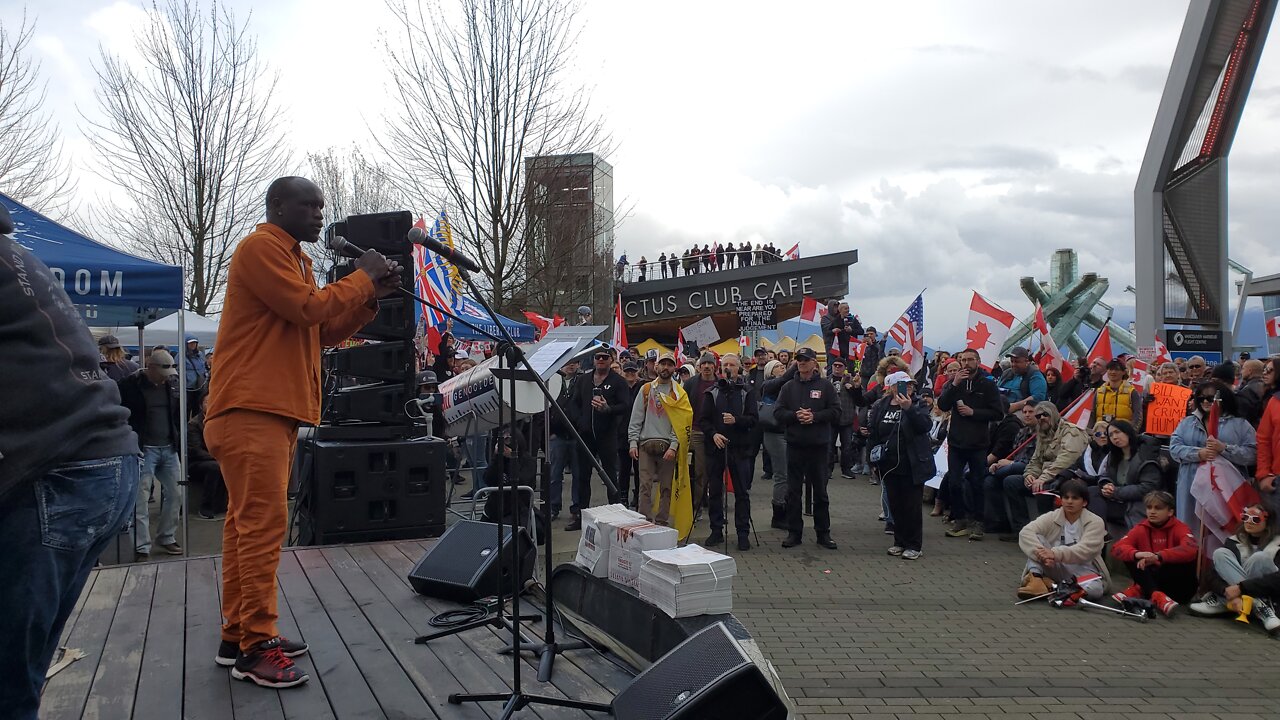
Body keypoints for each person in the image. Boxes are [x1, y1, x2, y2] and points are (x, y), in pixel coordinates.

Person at [204, 176, 401, 688]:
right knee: (263, 528)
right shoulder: (261, 247)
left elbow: (323, 331)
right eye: (308, 205)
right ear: (277, 207)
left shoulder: (296, 260)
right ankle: (256, 646)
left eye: (321, 206)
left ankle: (236, 636)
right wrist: (360, 275)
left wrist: (369, 296)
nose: (319, 214)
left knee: (245, 527)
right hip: (252, 409)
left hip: (266, 410)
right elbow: (308, 308)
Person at [0, 203, 142, 720]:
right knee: (19, 673)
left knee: (8, 683)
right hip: (98, 462)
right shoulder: (17, 256)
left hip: (56, 473)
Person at [118, 349, 185, 560]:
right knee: (141, 499)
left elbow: (176, 413)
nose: (166, 377)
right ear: (151, 367)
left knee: (176, 494)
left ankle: (166, 537)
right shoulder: (131, 385)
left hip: (168, 447)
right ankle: (141, 546)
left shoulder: (172, 385)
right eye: (163, 373)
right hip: (144, 448)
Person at [1169, 379, 1257, 535]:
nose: (1205, 402)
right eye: (1201, 398)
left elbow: (1253, 454)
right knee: (1192, 532)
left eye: (1210, 398)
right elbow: (1174, 448)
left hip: (1226, 489)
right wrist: (1198, 454)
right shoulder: (1187, 423)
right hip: (1190, 486)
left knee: (1223, 531)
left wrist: (1224, 448)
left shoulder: (1240, 424)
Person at [775, 347, 840, 549]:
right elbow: (778, 412)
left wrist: (815, 417)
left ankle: (823, 533)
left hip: (818, 446)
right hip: (795, 445)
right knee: (793, 491)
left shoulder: (826, 386)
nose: (802, 363)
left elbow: (836, 411)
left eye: (806, 360)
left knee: (820, 491)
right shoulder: (788, 387)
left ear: (814, 363)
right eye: (799, 360)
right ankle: (794, 533)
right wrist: (796, 415)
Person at [938, 348, 1004, 541]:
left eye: (970, 360)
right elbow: (942, 404)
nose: (966, 363)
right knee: (955, 483)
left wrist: (973, 412)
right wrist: (954, 384)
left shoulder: (987, 384)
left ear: (978, 361)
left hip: (978, 442)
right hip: (957, 441)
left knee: (977, 483)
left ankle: (978, 522)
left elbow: (997, 413)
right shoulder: (955, 382)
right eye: (963, 360)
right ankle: (960, 519)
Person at [869, 372, 935, 560]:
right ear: (891, 387)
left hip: (912, 464)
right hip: (889, 464)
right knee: (895, 505)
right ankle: (899, 541)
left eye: (910, 385)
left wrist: (909, 409)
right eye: (902, 385)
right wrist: (872, 459)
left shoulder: (918, 404)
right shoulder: (882, 405)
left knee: (912, 506)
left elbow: (924, 426)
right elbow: (874, 432)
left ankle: (914, 545)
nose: (908, 388)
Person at [698, 354, 758, 550]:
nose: (728, 368)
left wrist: (737, 420)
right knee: (715, 491)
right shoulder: (712, 392)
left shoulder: (747, 392)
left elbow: (753, 419)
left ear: (739, 368)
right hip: (716, 448)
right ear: (720, 369)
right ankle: (716, 530)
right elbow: (704, 420)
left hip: (740, 448)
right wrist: (714, 434)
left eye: (732, 365)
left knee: (741, 492)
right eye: (725, 365)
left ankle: (742, 533)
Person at [1190, 503, 1280, 632]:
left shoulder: (1277, 543)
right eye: (1245, 517)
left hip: (1270, 595)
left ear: (1268, 523)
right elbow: (1212, 573)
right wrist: (1226, 591)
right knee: (1220, 553)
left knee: (1260, 558)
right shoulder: (1234, 541)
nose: (1249, 522)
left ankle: (1232, 603)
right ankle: (1255, 605)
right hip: (1236, 593)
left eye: (1255, 519)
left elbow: (1277, 580)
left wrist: (1241, 588)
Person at [565, 350, 629, 529]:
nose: (601, 360)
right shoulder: (583, 380)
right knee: (582, 477)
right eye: (598, 357)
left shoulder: (618, 381)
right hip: (585, 436)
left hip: (607, 435)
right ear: (593, 360)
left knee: (610, 476)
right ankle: (581, 516)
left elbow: (625, 405)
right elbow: (573, 403)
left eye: (605, 357)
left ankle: (616, 517)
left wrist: (608, 409)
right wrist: (580, 422)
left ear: (611, 360)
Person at [1016, 479, 1110, 600]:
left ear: (1084, 502)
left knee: (1095, 590)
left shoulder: (1095, 522)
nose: (1069, 501)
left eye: (1075, 498)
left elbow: (1086, 550)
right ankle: (1037, 579)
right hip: (1052, 563)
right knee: (1037, 539)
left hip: (1082, 568)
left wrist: (1054, 554)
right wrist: (1045, 556)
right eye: (1066, 497)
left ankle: (1051, 585)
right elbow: (1026, 532)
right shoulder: (1053, 516)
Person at [1109, 491, 1198, 615]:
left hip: (1179, 586)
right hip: (1155, 582)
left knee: (1180, 560)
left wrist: (1158, 556)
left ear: (1170, 512)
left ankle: (1142, 590)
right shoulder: (1141, 528)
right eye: (1149, 508)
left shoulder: (1180, 527)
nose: (1152, 511)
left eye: (1158, 508)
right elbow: (1116, 548)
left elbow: (1190, 549)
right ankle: (1155, 595)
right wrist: (1137, 554)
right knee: (1131, 556)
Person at [1007, 401, 1088, 534]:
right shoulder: (1043, 433)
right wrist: (1030, 475)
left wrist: (1043, 478)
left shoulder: (1071, 431)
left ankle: (1046, 533)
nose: (1042, 418)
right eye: (1038, 416)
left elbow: (1065, 461)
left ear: (1054, 414)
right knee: (1011, 482)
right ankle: (1022, 530)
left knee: (1042, 490)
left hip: (1066, 476)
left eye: (1045, 414)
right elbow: (1036, 460)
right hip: (1046, 476)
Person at [628, 353, 689, 526]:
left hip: (668, 447)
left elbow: (681, 423)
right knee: (644, 486)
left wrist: (674, 446)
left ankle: (662, 522)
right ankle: (644, 522)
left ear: (674, 368)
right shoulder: (646, 389)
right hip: (645, 444)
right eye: (662, 364)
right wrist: (633, 442)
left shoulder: (679, 393)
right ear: (656, 366)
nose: (665, 368)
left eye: (670, 365)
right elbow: (636, 417)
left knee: (666, 487)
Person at [1090, 420, 1163, 535]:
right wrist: (1106, 484)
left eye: (1117, 432)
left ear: (1128, 432)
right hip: (1118, 499)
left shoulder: (1145, 455)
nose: (1114, 437)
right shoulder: (1114, 455)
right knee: (1090, 492)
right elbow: (1106, 474)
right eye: (1111, 435)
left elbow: (1148, 487)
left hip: (1137, 503)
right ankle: (1100, 533)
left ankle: (1100, 533)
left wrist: (1116, 492)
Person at [684, 353, 720, 517]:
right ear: (699, 366)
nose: (706, 366)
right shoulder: (691, 384)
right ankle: (696, 507)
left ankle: (715, 507)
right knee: (699, 472)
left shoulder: (721, 383)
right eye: (703, 363)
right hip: (696, 431)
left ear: (714, 366)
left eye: (709, 363)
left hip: (716, 432)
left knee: (716, 472)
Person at [546, 358, 582, 520]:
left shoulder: (582, 382)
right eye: (568, 362)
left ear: (579, 365)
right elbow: (544, 408)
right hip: (557, 436)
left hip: (577, 437)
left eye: (575, 362)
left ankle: (577, 507)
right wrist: (548, 433)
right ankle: (553, 507)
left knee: (578, 474)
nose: (571, 365)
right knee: (554, 475)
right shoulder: (552, 382)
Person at [758, 360, 790, 529]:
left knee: (787, 473)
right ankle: (779, 512)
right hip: (773, 432)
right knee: (781, 473)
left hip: (786, 431)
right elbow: (782, 380)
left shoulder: (787, 384)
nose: (782, 368)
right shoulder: (768, 384)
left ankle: (786, 508)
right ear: (771, 370)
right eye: (778, 366)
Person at [189, 392, 226, 520]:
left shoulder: (220, 421)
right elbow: (195, 450)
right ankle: (205, 507)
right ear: (201, 406)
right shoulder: (194, 424)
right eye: (207, 402)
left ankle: (224, 504)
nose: (210, 405)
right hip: (197, 462)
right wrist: (217, 457)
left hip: (216, 458)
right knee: (215, 467)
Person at [616, 362, 644, 507]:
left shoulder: (643, 387)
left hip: (640, 434)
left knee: (640, 470)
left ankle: (638, 497)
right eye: (627, 372)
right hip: (622, 434)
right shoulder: (619, 387)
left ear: (637, 372)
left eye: (632, 371)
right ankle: (623, 498)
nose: (630, 374)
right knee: (624, 469)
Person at [829, 358, 862, 478]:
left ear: (844, 367)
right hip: (831, 418)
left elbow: (859, 400)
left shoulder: (852, 380)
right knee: (829, 446)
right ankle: (828, 470)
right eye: (835, 365)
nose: (837, 368)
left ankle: (846, 470)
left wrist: (853, 389)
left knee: (847, 446)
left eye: (840, 366)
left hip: (847, 418)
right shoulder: (827, 380)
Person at [1095, 359, 1143, 429]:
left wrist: (1131, 434)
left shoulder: (1132, 392)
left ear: (1123, 372)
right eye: (1110, 369)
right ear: (1107, 371)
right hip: (1101, 435)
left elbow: (1138, 415)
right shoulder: (1099, 392)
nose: (1113, 372)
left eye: (1117, 370)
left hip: (1122, 436)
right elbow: (1092, 414)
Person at [997, 347, 1048, 413]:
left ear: (1026, 361)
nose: (1013, 364)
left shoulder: (1034, 375)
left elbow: (1038, 397)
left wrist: (1014, 406)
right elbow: (996, 389)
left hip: (1022, 411)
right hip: (999, 408)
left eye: (1017, 362)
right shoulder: (1006, 373)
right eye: (1012, 361)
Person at [184, 334, 210, 419]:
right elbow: (178, 370)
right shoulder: (181, 356)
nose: (193, 345)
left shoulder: (200, 355)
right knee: (186, 409)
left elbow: (204, 367)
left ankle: (196, 426)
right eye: (190, 343)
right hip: (187, 388)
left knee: (198, 409)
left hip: (199, 386)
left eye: (195, 343)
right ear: (186, 344)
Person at [1236, 359, 1268, 427]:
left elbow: (1243, 417)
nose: (1241, 371)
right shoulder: (1268, 388)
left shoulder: (1247, 391)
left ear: (1250, 371)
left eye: (1243, 368)